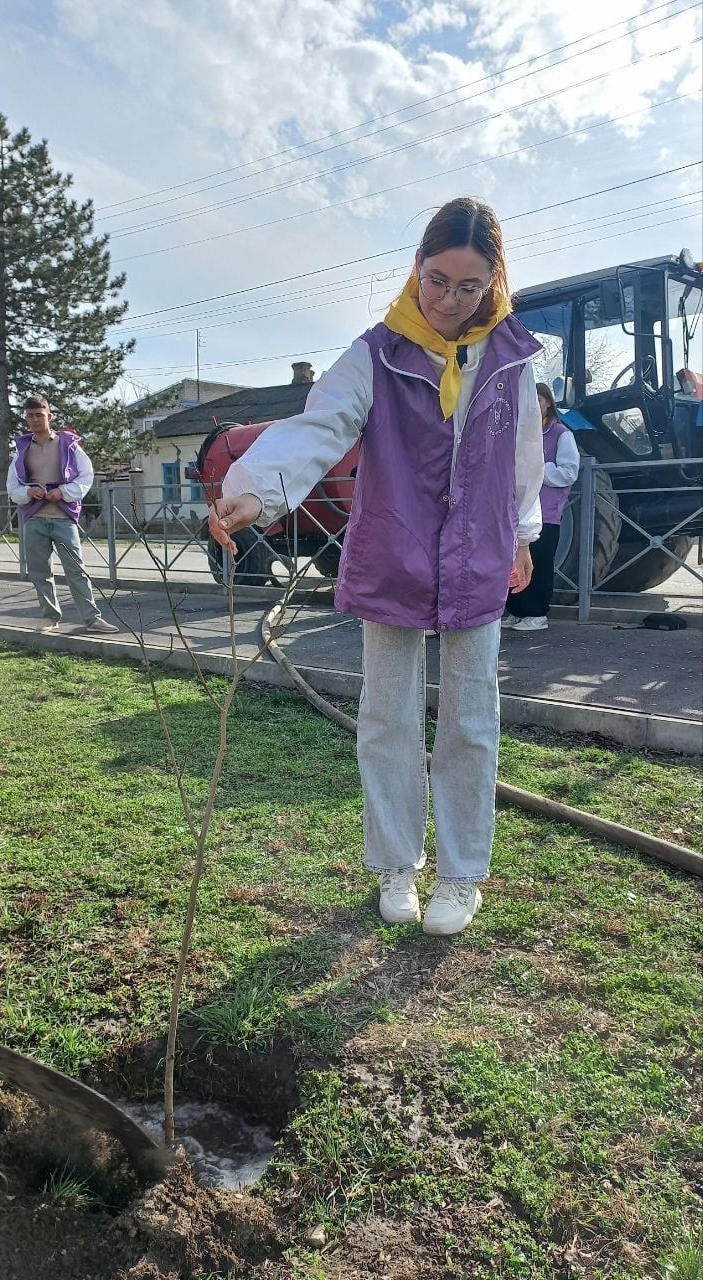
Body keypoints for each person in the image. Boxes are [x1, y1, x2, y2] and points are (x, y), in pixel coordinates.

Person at [209, 198, 544, 936]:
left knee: (470, 719)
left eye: (468, 286)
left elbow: (524, 453)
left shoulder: (512, 356)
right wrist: (254, 492)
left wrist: (520, 533)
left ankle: (461, 875)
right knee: (386, 717)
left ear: (493, 282)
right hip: (393, 550)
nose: (449, 300)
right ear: (414, 269)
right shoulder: (375, 351)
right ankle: (398, 863)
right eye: (436, 279)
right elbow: (319, 423)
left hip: (479, 555)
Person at [6, 394, 118, 634]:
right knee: (39, 572)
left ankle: (92, 619)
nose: (35, 419)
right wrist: (29, 491)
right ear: (26, 418)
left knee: (76, 570)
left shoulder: (69, 445)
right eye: (30, 415)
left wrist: (64, 491)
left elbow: (86, 476)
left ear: (50, 416)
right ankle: (50, 617)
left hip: (63, 519)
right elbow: (12, 488)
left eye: (40, 414)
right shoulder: (21, 450)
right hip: (34, 519)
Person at [502, 381, 579, 631]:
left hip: (546, 512)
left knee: (539, 563)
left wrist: (538, 469)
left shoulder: (561, 434)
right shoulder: (519, 433)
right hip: (517, 511)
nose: (535, 404)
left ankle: (536, 613)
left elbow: (569, 472)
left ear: (548, 403)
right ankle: (516, 611)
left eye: (540, 400)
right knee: (514, 563)